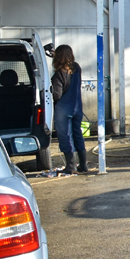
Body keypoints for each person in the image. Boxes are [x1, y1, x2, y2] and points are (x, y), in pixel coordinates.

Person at [49, 44, 87, 176]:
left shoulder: (58, 74)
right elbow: (69, 66)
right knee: (77, 134)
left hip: (64, 108)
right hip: (77, 107)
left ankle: (70, 166)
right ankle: (83, 165)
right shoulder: (77, 68)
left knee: (65, 136)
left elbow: (57, 95)